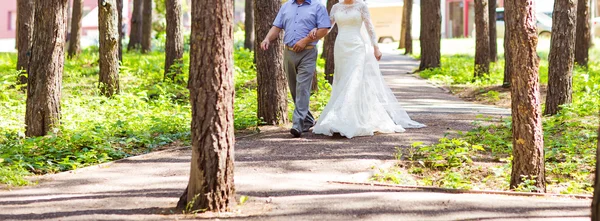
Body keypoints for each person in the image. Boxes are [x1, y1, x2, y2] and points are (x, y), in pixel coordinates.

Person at [311, 0, 425, 138]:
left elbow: (369, 26)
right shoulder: (336, 7)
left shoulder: (361, 6)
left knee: (355, 79)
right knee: (342, 80)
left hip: (357, 47)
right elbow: (328, 27)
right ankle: (339, 117)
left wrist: (376, 47)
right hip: (341, 47)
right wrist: (316, 31)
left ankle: (347, 119)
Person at [260, 0, 331, 138]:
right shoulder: (286, 6)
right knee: (294, 89)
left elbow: (324, 29)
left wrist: (305, 41)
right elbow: (276, 27)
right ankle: (308, 120)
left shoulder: (317, 7)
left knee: (302, 88)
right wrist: (267, 39)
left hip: (308, 53)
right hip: (289, 52)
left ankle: (297, 125)